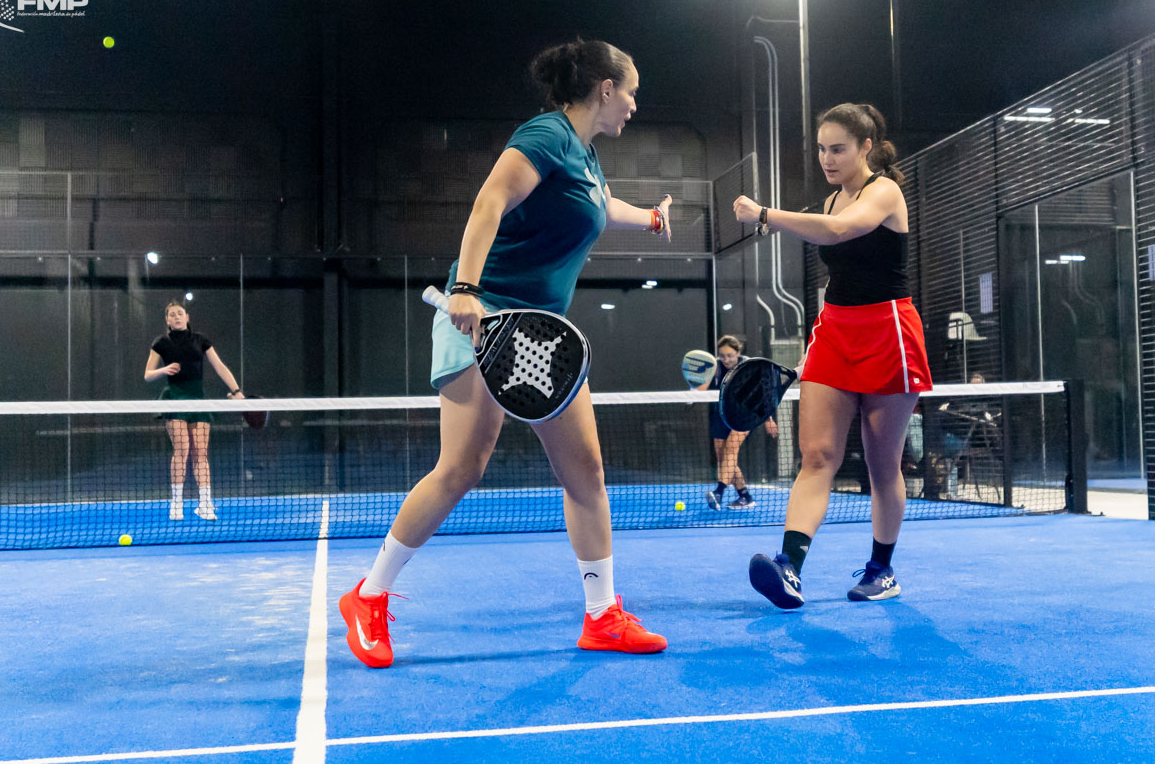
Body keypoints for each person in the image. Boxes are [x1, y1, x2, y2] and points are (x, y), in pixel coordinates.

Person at [338, 39, 670, 669]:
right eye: (630, 92)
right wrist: (465, 287)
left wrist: (651, 219)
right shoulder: (546, 135)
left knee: (586, 472)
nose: (634, 104)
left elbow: (603, 207)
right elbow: (489, 200)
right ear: (605, 88)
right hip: (481, 317)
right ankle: (368, 596)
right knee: (461, 468)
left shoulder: (586, 159)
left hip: (541, 335)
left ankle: (602, 615)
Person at [733, 102, 932, 606]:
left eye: (838, 149)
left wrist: (765, 215)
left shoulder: (884, 192)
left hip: (888, 331)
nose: (827, 158)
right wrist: (813, 351)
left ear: (866, 147)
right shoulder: (828, 201)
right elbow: (834, 277)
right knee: (817, 455)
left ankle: (881, 570)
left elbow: (843, 230)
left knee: (882, 464)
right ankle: (788, 568)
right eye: (822, 149)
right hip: (835, 332)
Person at [144, 300, 244, 521]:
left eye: (180, 313)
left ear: (187, 317)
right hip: (174, 398)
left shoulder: (200, 340)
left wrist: (236, 390)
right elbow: (148, 375)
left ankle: (205, 504)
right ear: (167, 320)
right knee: (182, 449)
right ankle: (176, 504)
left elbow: (219, 367)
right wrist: (164, 370)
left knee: (200, 451)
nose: (177, 317)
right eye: (172, 314)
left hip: (198, 399)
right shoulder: (161, 342)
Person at [698, 335, 778, 510]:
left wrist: (768, 419)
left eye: (730, 355)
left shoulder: (749, 366)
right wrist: (692, 392)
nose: (726, 359)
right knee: (724, 458)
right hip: (722, 414)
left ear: (738, 353)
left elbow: (763, 394)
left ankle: (719, 492)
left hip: (746, 414)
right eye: (722, 355)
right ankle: (745, 496)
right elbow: (701, 389)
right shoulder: (715, 367)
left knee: (731, 450)